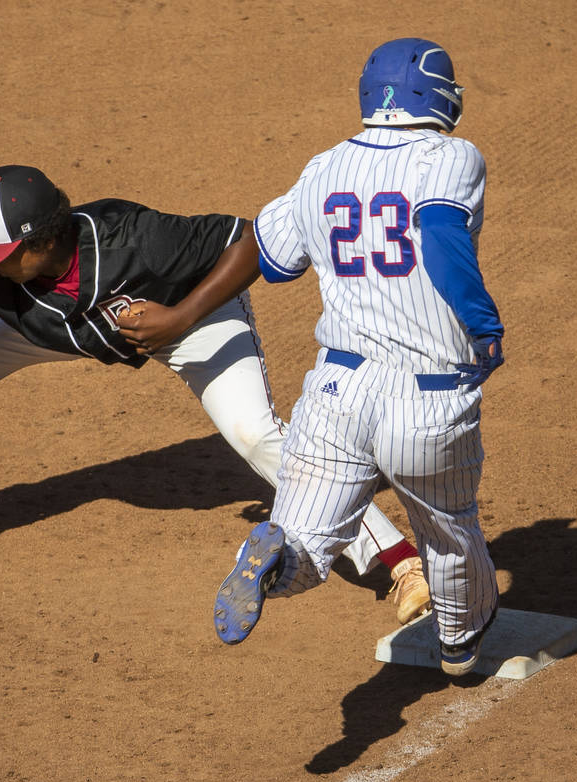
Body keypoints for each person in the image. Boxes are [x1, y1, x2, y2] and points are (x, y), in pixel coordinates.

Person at [0, 164, 432, 624]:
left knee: (253, 434)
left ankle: (399, 560)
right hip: (67, 330)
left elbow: (249, 241)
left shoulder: (135, 237)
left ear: (41, 243)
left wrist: (180, 317)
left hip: (192, 319)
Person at [213, 38, 503, 676]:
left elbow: (272, 260)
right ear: (438, 93)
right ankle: (458, 639)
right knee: (446, 525)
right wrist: (484, 328)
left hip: (336, 393)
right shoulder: (451, 156)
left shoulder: (324, 167)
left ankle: (274, 564)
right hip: (426, 399)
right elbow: (445, 238)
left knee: (310, 540)